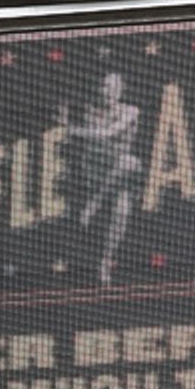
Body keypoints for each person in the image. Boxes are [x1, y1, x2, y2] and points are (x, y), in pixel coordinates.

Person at [62, 72, 142, 284]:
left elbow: (107, 134)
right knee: (125, 164)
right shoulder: (89, 111)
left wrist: (71, 130)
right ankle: (92, 204)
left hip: (119, 175)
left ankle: (105, 259)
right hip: (95, 171)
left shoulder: (131, 111)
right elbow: (87, 146)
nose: (109, 92)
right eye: (105, 87)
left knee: (123, 202)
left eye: (113, 87)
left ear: (121, 89)